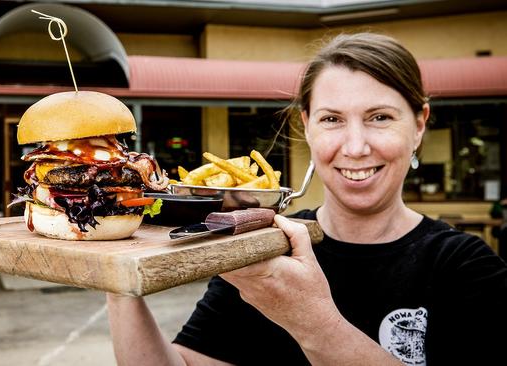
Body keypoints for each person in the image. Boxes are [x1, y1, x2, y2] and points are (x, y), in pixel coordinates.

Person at [106, 33, 507, 365]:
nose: (354, 146)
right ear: (308, 126)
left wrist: (311, 320)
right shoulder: (264, 245)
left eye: (380, 117)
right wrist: (114, 267)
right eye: (332, 119)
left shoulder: (467, 266)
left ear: (419, 126)